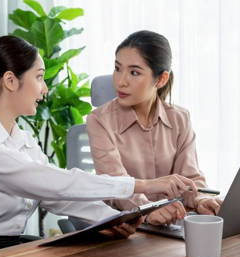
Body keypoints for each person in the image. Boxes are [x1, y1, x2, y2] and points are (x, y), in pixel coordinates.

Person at [0, 35, 197, 257]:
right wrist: (143, 185)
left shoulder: (22, 140)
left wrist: (111, 220)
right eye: (39, 77)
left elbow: (56, 196)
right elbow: (47, 181)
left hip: (6, 251)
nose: (44, 89)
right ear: (11, 81)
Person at [87, 30, 222, 226]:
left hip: (171, 226)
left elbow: (190, 178)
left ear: (161, 79)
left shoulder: (179, 118)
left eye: (134, 72)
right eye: (117, 68)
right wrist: (150, 210)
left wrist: (202, 199)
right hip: (124, 228)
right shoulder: (99, 120)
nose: (120, 81)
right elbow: (116, 185)